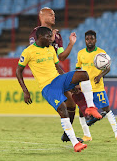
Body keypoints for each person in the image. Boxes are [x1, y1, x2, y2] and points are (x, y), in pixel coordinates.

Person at [16, 27, 102, 152]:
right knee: (63, 109)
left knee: (83, 74)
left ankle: (90, 107)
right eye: (49, 36)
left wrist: (70, 85)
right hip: (48, 87)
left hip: (58, 80)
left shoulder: (50, 49)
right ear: (40, 37)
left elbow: (58, 67)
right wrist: (25, 90)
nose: (51, 39)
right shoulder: (28, 52)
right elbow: (18, 70)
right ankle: (75, 143)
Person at [29, 7, 87, 143]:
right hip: (47, 78)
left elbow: (61, 57)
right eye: (51, 14)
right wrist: (50, 39)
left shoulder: (58, 36)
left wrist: (71, 44)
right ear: (41, 16)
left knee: (72, 105)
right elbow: (36, 50)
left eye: (54, 14)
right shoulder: (36, 33)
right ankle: (71, 134)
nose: (54, 17)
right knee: (63, 107)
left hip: (57, 73)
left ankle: (67, 134)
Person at [75, 30, 117, 142]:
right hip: (84, 88)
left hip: (98, 88)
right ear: (85, 40)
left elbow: (108, 68)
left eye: (92, 38)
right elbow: (78, 68)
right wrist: (77, 82)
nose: (89, 41)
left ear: (95, 40)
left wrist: (100, 76)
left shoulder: (101, 53)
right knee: (81, 112)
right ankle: (87, 135)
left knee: (107, 109)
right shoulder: (81, 53)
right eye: (87, 39)